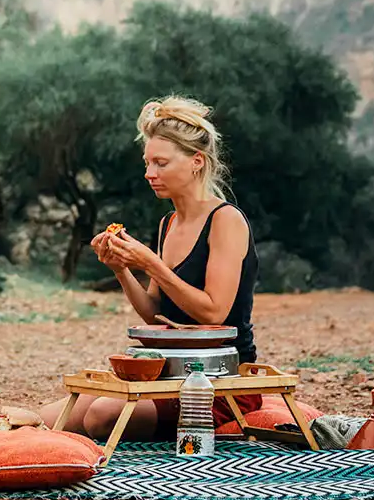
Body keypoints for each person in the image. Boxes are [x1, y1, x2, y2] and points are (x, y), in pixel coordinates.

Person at [41, 96, 272, 442]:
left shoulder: (225, 220)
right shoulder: (168, 224)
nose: (150, 174)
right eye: (148, 163)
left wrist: (150, 262)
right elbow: (154, 314)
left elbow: (214, 313)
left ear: (196, 162)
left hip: (219, 383)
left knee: (101, 416)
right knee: (46, 417)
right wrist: (121, 269)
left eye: (161, 163)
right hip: (165, 372)